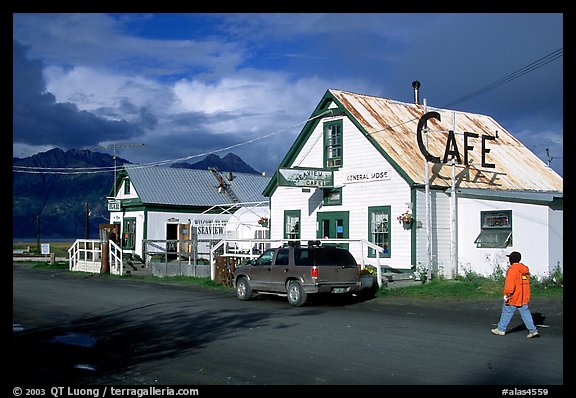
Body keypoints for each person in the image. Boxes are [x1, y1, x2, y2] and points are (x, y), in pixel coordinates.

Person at [491, 251, 539, 338]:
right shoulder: (524, 270)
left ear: (511, 260)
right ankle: (533, 330)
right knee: (525, 313)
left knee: (507, 311)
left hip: (514, 296)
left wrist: (507, 294)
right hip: (523, 296)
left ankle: (501, 329)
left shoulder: (512, 270)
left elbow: (510, 284)